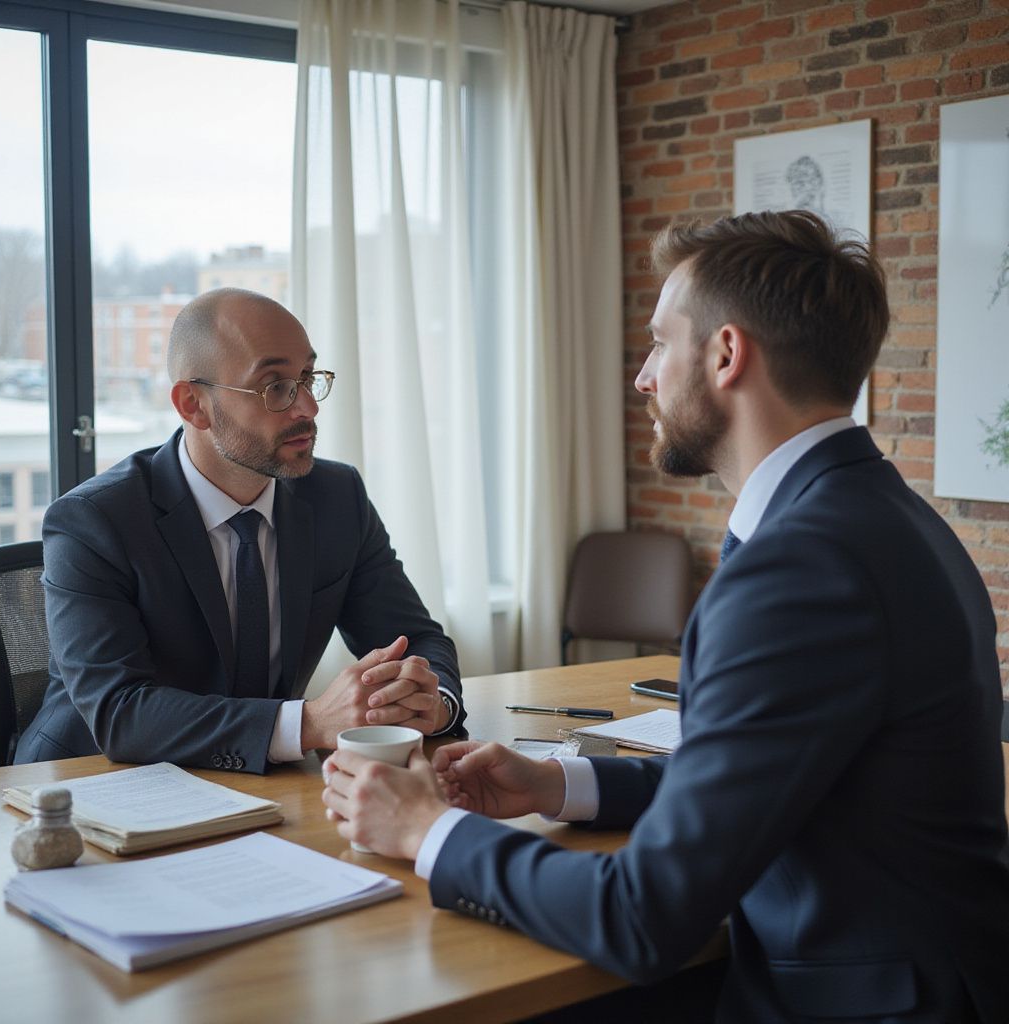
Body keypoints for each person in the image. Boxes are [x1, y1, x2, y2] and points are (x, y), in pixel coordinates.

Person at [322, 211, 1009, 1022]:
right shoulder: (888, 517)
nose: (644, 376)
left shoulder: (799, 568)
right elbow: (764, 774)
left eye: (658, 342)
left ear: (725, 354)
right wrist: (559, 783)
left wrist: (426, 833)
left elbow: (642, 917)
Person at [16, 288, 463, 773]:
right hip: (89, 786)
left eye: (308, 378)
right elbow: (122, 713)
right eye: (275, 386)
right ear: (193, 405)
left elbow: (415, 638)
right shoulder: (94, 521)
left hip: (262, 785)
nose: (308, 408)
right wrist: (309, 723)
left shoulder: (336, 497)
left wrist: (433, 702)